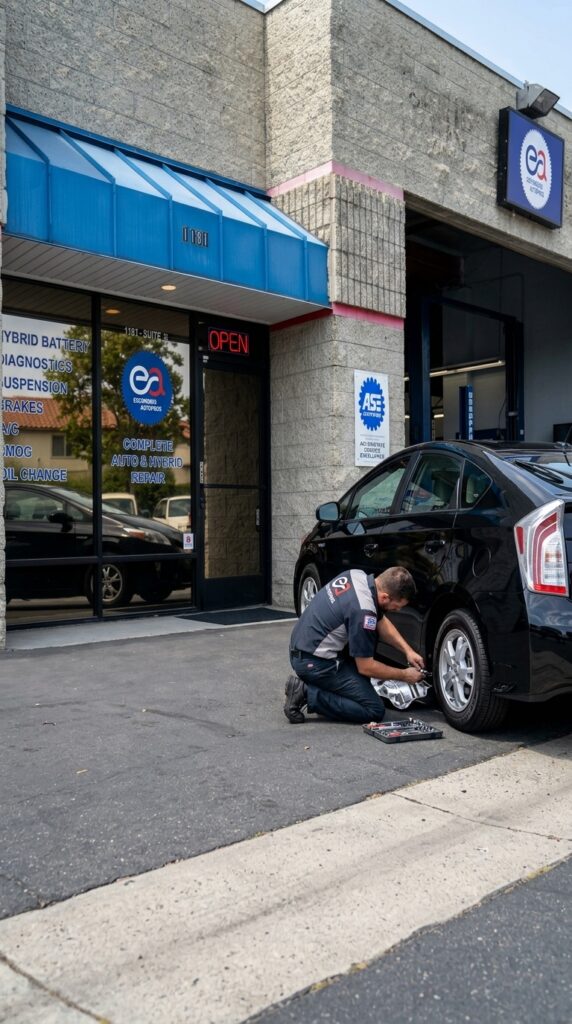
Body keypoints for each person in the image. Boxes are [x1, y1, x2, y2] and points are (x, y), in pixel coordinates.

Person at [284, 566, 425, 725]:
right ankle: (305, 693)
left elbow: (381, 621)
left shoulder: (357, 576)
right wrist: (405, 675)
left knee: (362, 683)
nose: (398, 610)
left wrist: (408, 651)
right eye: (398, 606)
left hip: (302, 646)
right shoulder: (363, 611)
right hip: (313, 662)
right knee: (373, 709)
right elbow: (366, 667)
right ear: (385, 597)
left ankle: (322, 689)